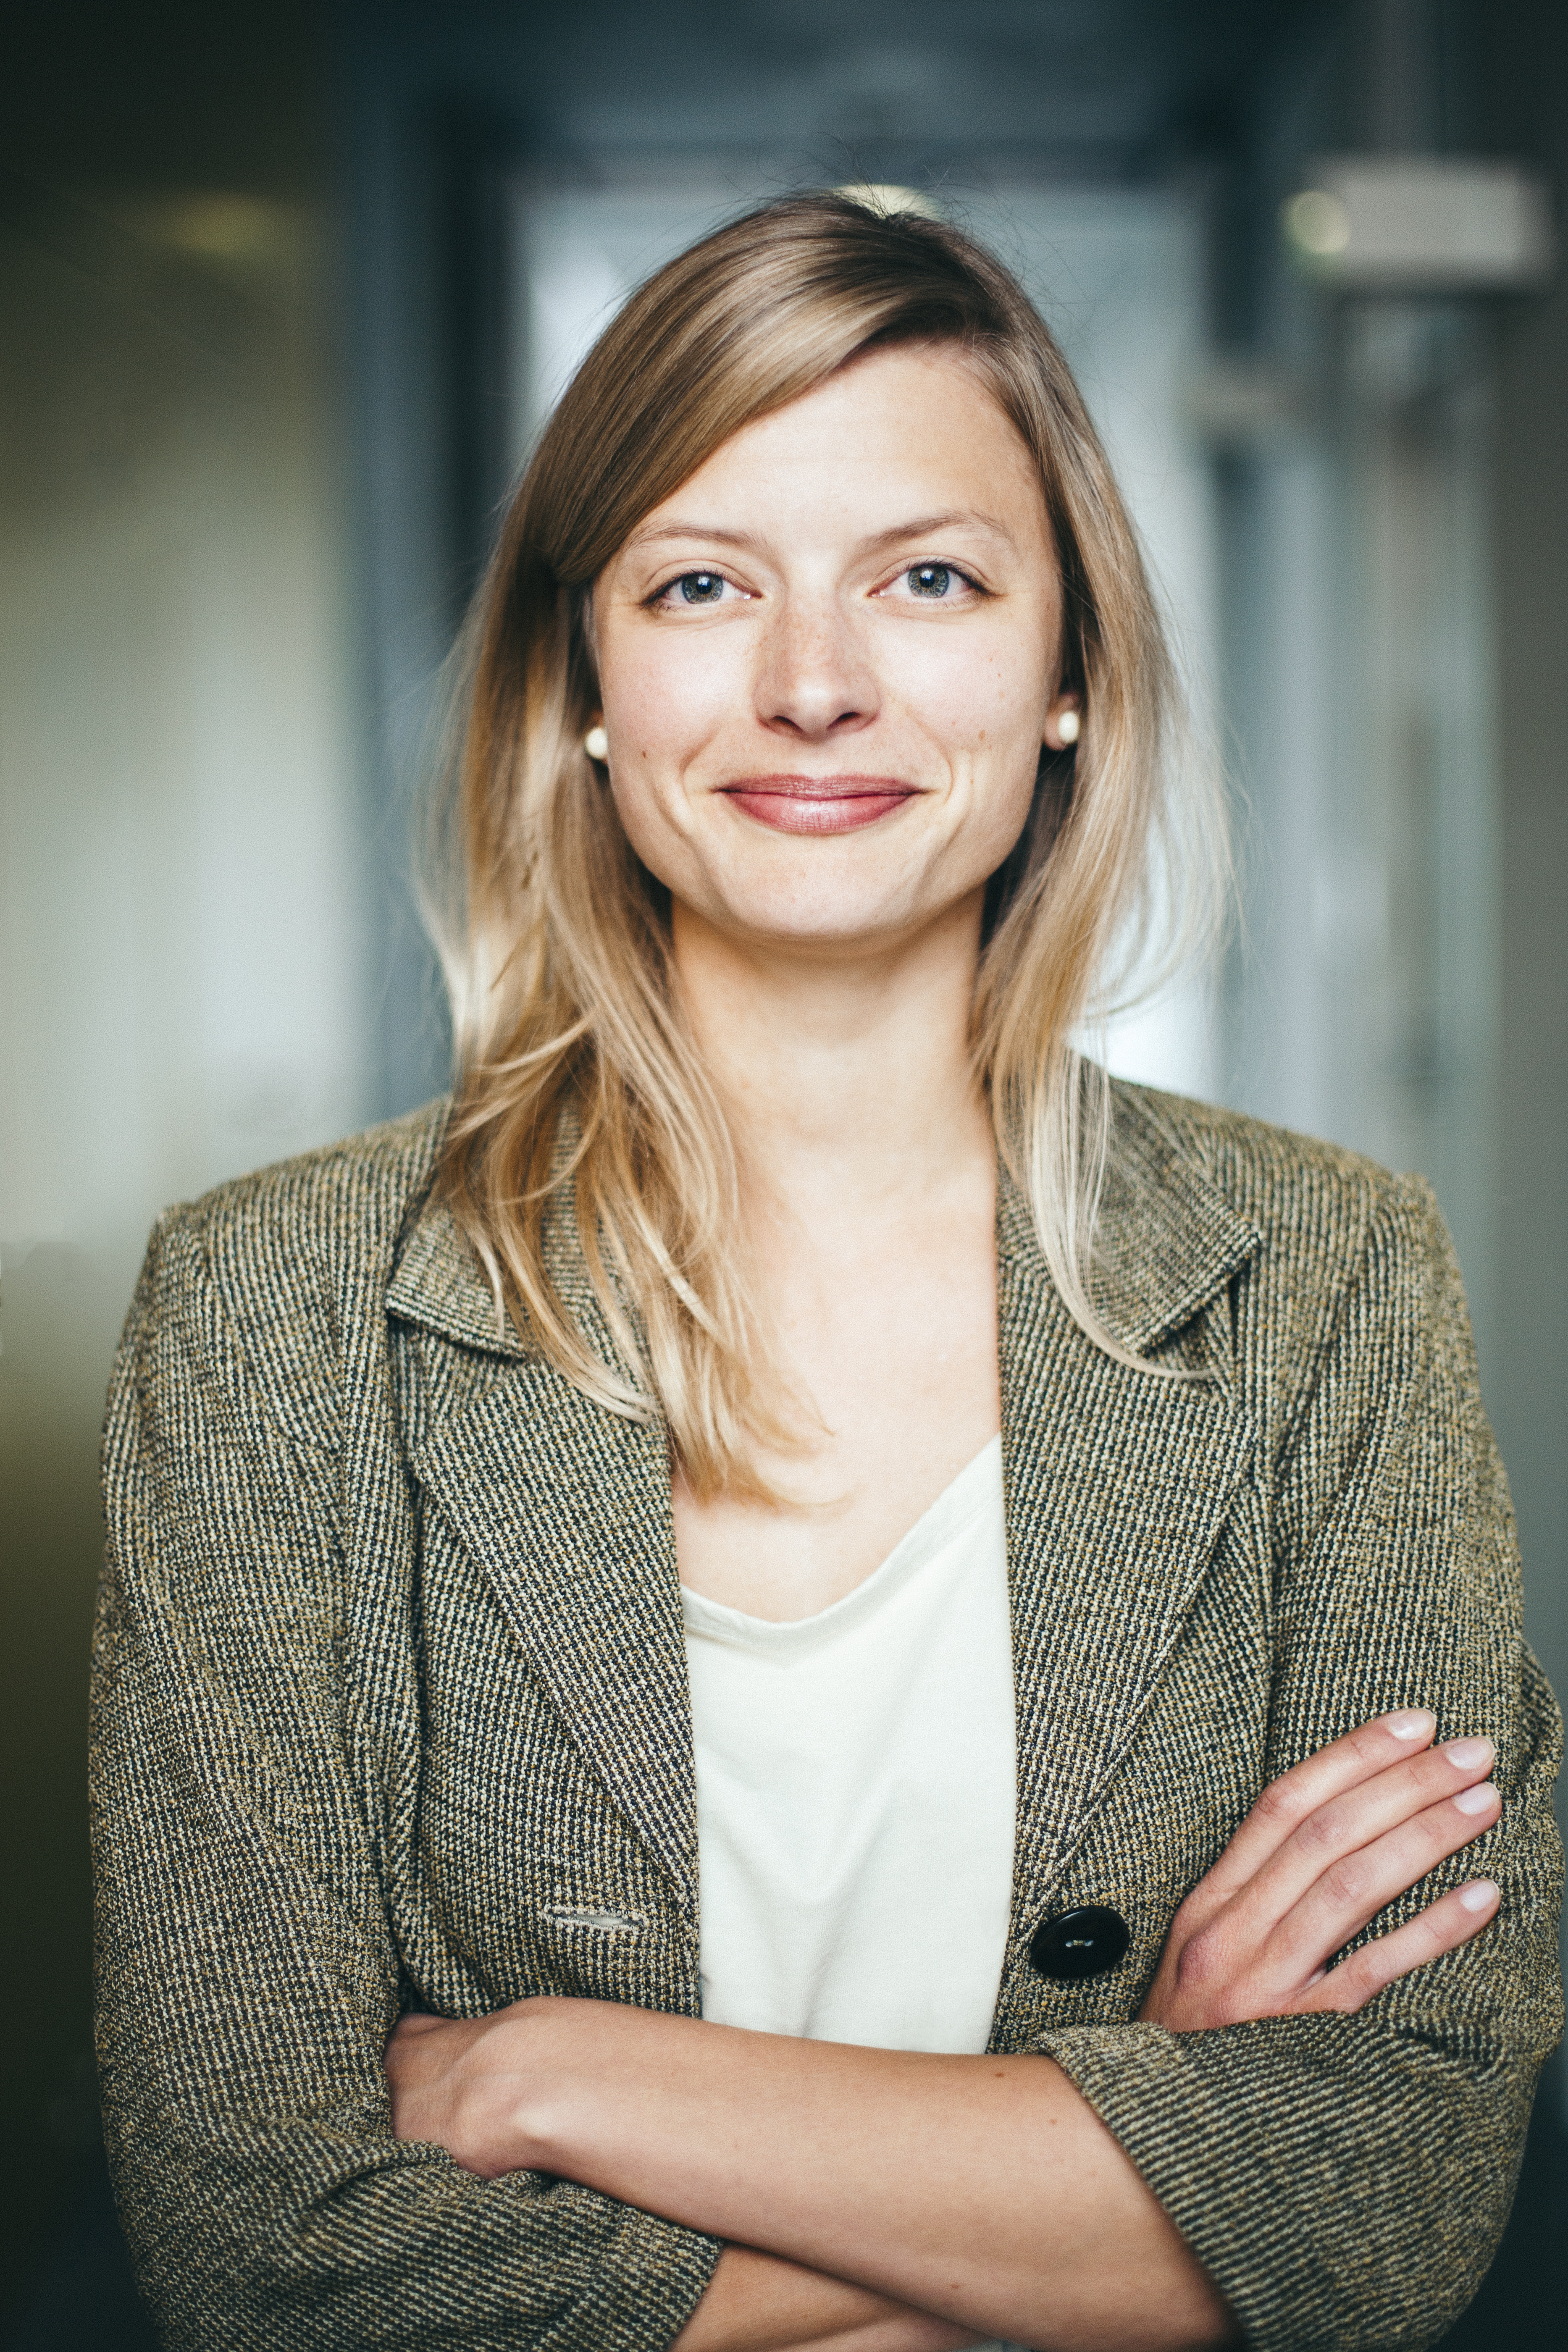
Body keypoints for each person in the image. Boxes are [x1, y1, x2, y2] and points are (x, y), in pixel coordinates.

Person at [92, 193, 1562, 2352]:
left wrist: (560, 2071)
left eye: (929, 579)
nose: (810, 685)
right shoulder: (269, 1313)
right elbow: (264, 2256)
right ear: (585, 681)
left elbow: (1390, 2202)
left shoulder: (1330, 1281)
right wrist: (1101, 2190)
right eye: (701, 583)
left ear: (1066, 675)